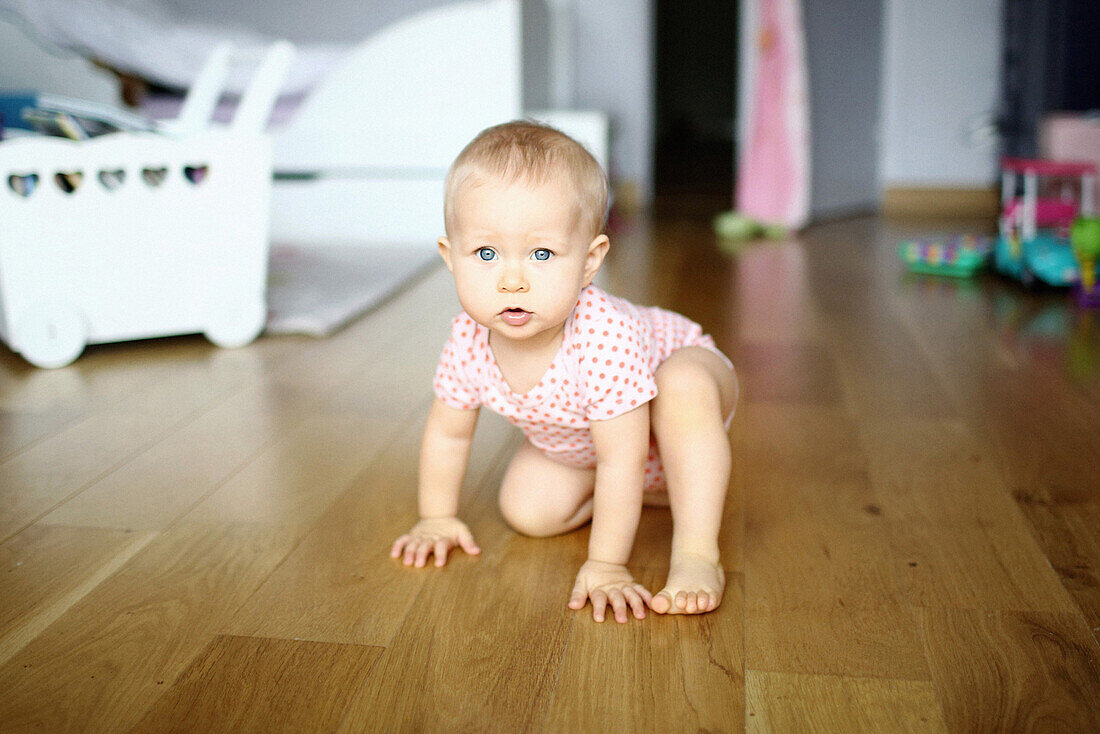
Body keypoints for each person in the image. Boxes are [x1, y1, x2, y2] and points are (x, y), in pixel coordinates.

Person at [390, 120, 739, 622]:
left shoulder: (601, 338)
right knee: (528, 512)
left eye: (542, 253)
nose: (512, 280)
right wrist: (436, 518)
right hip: (592, 448)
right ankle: (657, 491)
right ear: (451, 257)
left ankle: (698, 553)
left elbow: (623, 458)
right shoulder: (467, 339)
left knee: (681, 389)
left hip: (679, 384)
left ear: (589, 261)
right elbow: (448, 436)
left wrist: (607, 564)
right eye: (486, 254)